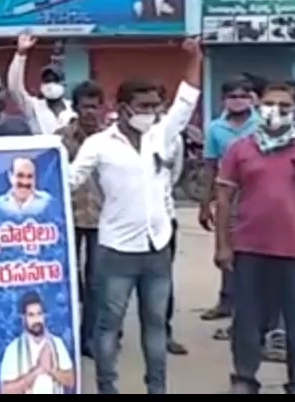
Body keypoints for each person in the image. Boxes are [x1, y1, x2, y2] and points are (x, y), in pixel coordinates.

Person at [67, 38, 202, 395]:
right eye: (143, 106)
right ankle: (107, 388)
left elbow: (187, 100)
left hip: (157, 247)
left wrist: (195, 58)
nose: (151, 112)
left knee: (155, 324)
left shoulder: (162, 134)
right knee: (108, 327)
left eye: (156, 106)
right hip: (115, 250)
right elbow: (69, 180)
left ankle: (156, 388)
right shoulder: (99, 143)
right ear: (122, 107)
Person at [214, 82, 295, 394]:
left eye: (284, 106)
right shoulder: (240, 150)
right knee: (248, 320)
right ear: (258, 107)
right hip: (249, 248)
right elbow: (225, 199)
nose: (276, 111)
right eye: (270, 104)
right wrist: (223, 245)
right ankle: (244, 378)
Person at [198, 78, 260, 323]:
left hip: (258, 194)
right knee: (227, 248)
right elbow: (210, 166)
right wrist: (205, 204)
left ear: (252, 98)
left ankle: (252, 304)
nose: (238, 101)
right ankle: (227, 301)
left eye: (243, 96)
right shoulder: (215, 128)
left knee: (255, 251)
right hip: (229, 196)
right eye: (232, 96)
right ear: (224, 100)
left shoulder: (262, 123)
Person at [58, 81, 105, 356]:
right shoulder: (59, 139)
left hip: (102, 219)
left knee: (97, 282)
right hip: (69, 218)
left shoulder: (111, 139)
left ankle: (90, 338)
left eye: (95, 106)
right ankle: (69, 335)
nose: (91, 112)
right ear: (75, 108)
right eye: (86, 106)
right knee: (69, 281)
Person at [0, 291, 76, 394]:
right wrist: (37, 371)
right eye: (31, 315)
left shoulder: (57, 344)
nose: (36, 319)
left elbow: (70, 381)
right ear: (23, 319)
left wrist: (51, 370)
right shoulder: (13, 350)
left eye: (39, 314)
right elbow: (6, 390)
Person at [8, 33, 75, 135]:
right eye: (47, 81)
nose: (50, 85)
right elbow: (15, 88)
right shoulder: (33, 107)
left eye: (54, 80)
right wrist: (21, 54)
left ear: (62, 83)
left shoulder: (73, 108)